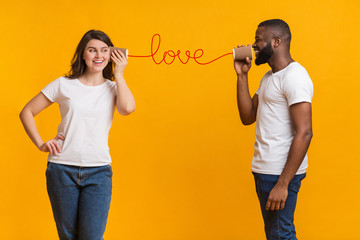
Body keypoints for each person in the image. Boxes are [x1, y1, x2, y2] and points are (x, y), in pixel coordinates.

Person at [19, 29, 136, 240]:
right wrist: (40, 143)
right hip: (61, 169)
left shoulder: (113, 87)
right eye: (92, 50)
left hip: (98, 172)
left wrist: (119, 73)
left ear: (111, 55)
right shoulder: (64, 84)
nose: (98, 56)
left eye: (104, 51)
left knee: (92, 237)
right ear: (83, 54)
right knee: (68, 236)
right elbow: (27, 112)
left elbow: (127, 108)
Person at [234, 19, 313, 239]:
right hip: (265, 169)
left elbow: (305, 131)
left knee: (280, 235)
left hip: (279, 173)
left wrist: (283, 183)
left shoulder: (294, 76)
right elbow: (248, 116)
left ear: (277, 41)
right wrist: (242, 76)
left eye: (258, 39)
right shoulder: (269, 77)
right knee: (277, 234)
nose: (254, 45)